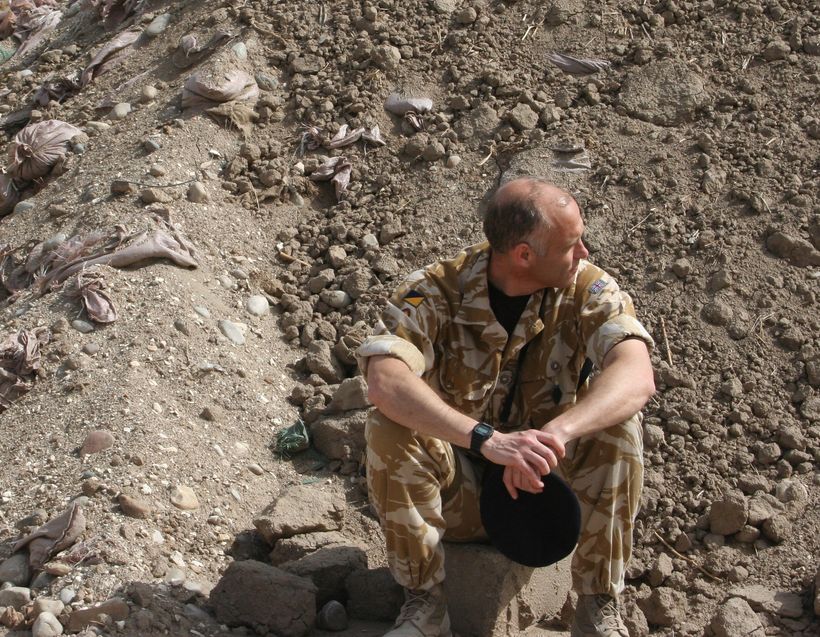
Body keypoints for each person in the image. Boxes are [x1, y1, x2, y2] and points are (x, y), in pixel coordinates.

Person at [355, 177, 655, 637]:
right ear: (523, 255)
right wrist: (488, 441)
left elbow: (636, 374)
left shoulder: (586, 289)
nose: (585, 254)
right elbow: (384, 381)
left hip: (546, 491)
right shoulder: (434, 291)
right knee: (388, 426)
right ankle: (425, 606)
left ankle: (597, 607)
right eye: (572, 244)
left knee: (620, 427)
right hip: (461, 494)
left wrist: (557, 435)